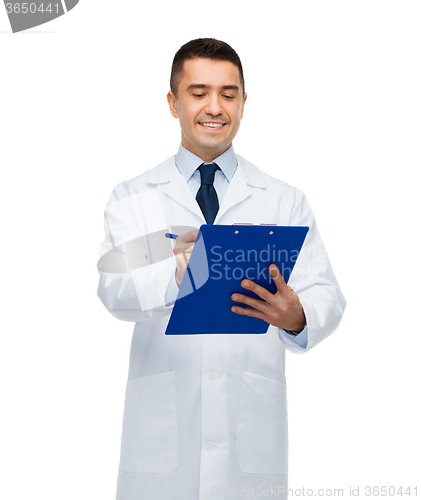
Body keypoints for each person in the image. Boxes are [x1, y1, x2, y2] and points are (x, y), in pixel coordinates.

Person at [97, 38, 346, 500]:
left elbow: (326, 293)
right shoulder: (134, 197)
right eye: (198, 92)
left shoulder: (282, 199)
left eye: (229, 94)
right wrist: (174, 275)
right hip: (163, 443)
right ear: (173, 103)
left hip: (249, 439)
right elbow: (113, 287)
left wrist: (297, 315)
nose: (215, 107)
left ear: (244, 103)